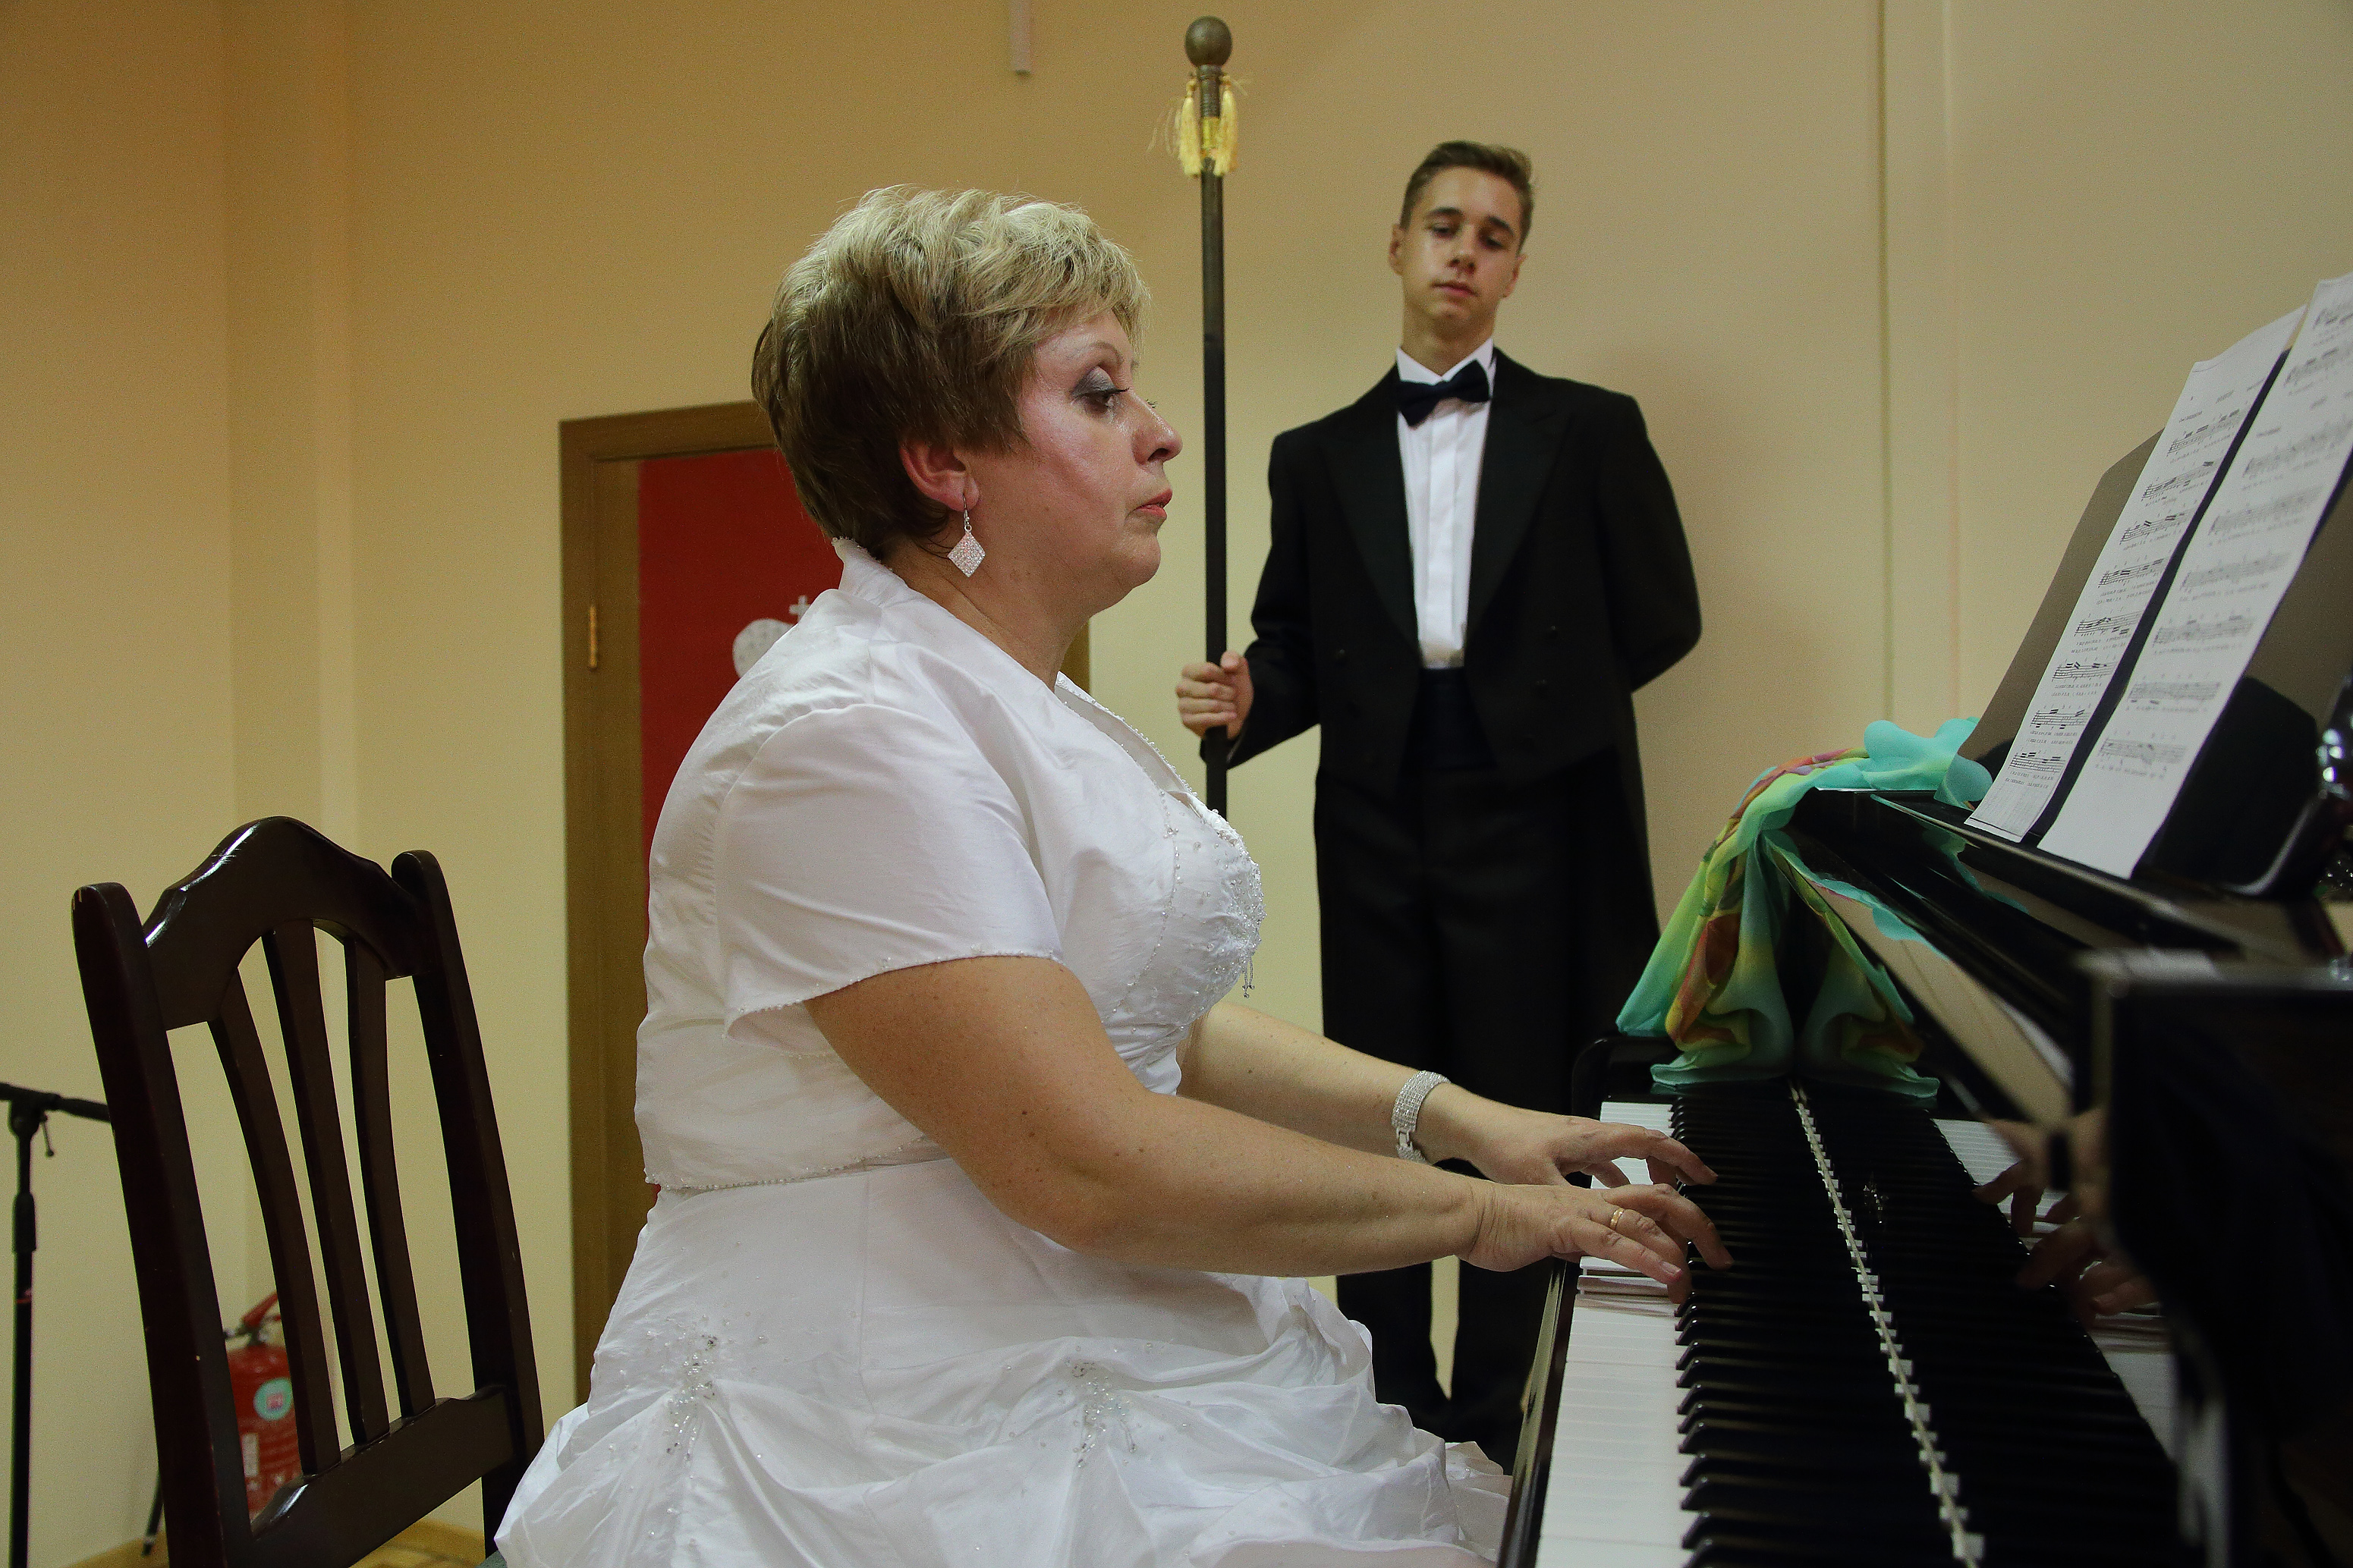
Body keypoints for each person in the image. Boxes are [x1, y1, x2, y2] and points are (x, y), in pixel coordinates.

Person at [495, 187, 1728, 1567]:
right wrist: (1488, 1217)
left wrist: (1462, 1118)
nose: (1158, 430)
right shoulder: (841, 736)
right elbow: (1078, 1157)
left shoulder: (1020, 700)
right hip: (893, 1404)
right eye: (1096, 393)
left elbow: (1148, 1019)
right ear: (943, 463)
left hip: (1063, 1303)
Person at [1176, 143, 1702, 1463]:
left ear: (1514, 268)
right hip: (1374, 813)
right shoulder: (1315, 455)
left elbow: (1660, 616)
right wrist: (1249, 698)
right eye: (1445, 225)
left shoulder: (1590, 429)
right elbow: (1296, 641)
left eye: (1494, 234)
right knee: (1386, 1104)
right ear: (1399, 245)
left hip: (1537, 815)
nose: (1465, 251)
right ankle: (1385, 1409)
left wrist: (1533, 717)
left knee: (1517, 1105)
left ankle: (1501, 1425)